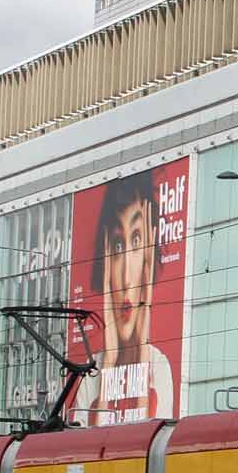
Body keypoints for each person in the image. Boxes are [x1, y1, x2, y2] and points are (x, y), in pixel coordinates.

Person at [70, 171, 178, 425]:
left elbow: (150, 448)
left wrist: (141, 352)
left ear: (148, 259)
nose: (127, 277)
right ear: (106, 259)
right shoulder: (92, 370)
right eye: (118, 246)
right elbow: (87, 454)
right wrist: (108, 363)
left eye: (137, 240)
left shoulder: (158, 364)